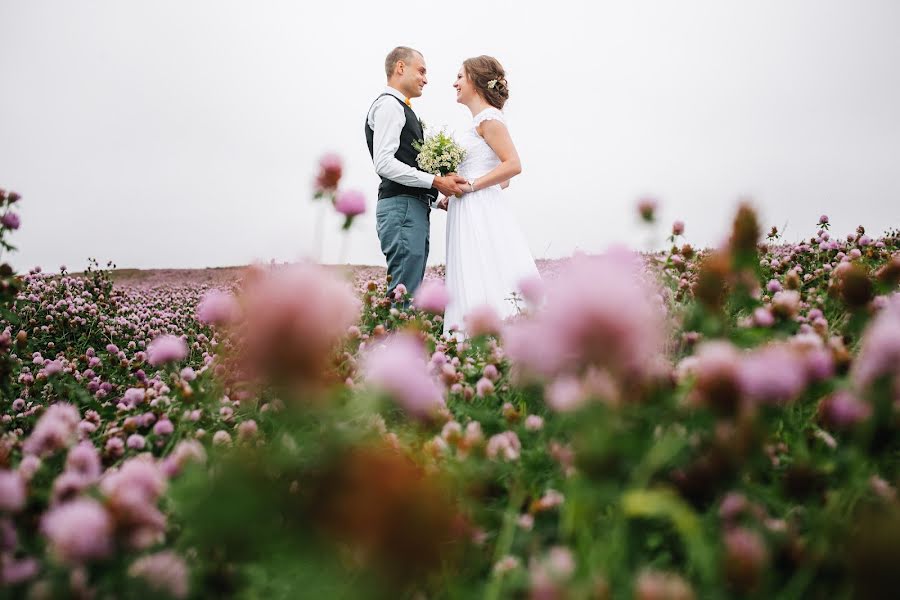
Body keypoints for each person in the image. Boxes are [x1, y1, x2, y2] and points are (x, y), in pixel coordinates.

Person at [439, 55, 540, 337]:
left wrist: (471, 185)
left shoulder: (488, 119)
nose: (454, 83)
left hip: (480, 208)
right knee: (471, 270)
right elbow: (502, 180)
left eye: (459, 77)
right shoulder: (476, 124)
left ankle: (492, 336)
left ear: (475, 80)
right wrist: (455, 191)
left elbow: (513, 165)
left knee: (485, 265)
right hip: (470, 205)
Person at [364, 46, 467, 298]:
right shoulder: (389, 106)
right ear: (401, 67)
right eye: (421, 71)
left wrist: (434, 197)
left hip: (411, 208)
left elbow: (404, 162)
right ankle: (392, 338)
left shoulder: (402, 108)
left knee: (409, 290)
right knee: (403, 294)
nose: (426, 79)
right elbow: (385, 163)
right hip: (402, 210)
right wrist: (436, 180)